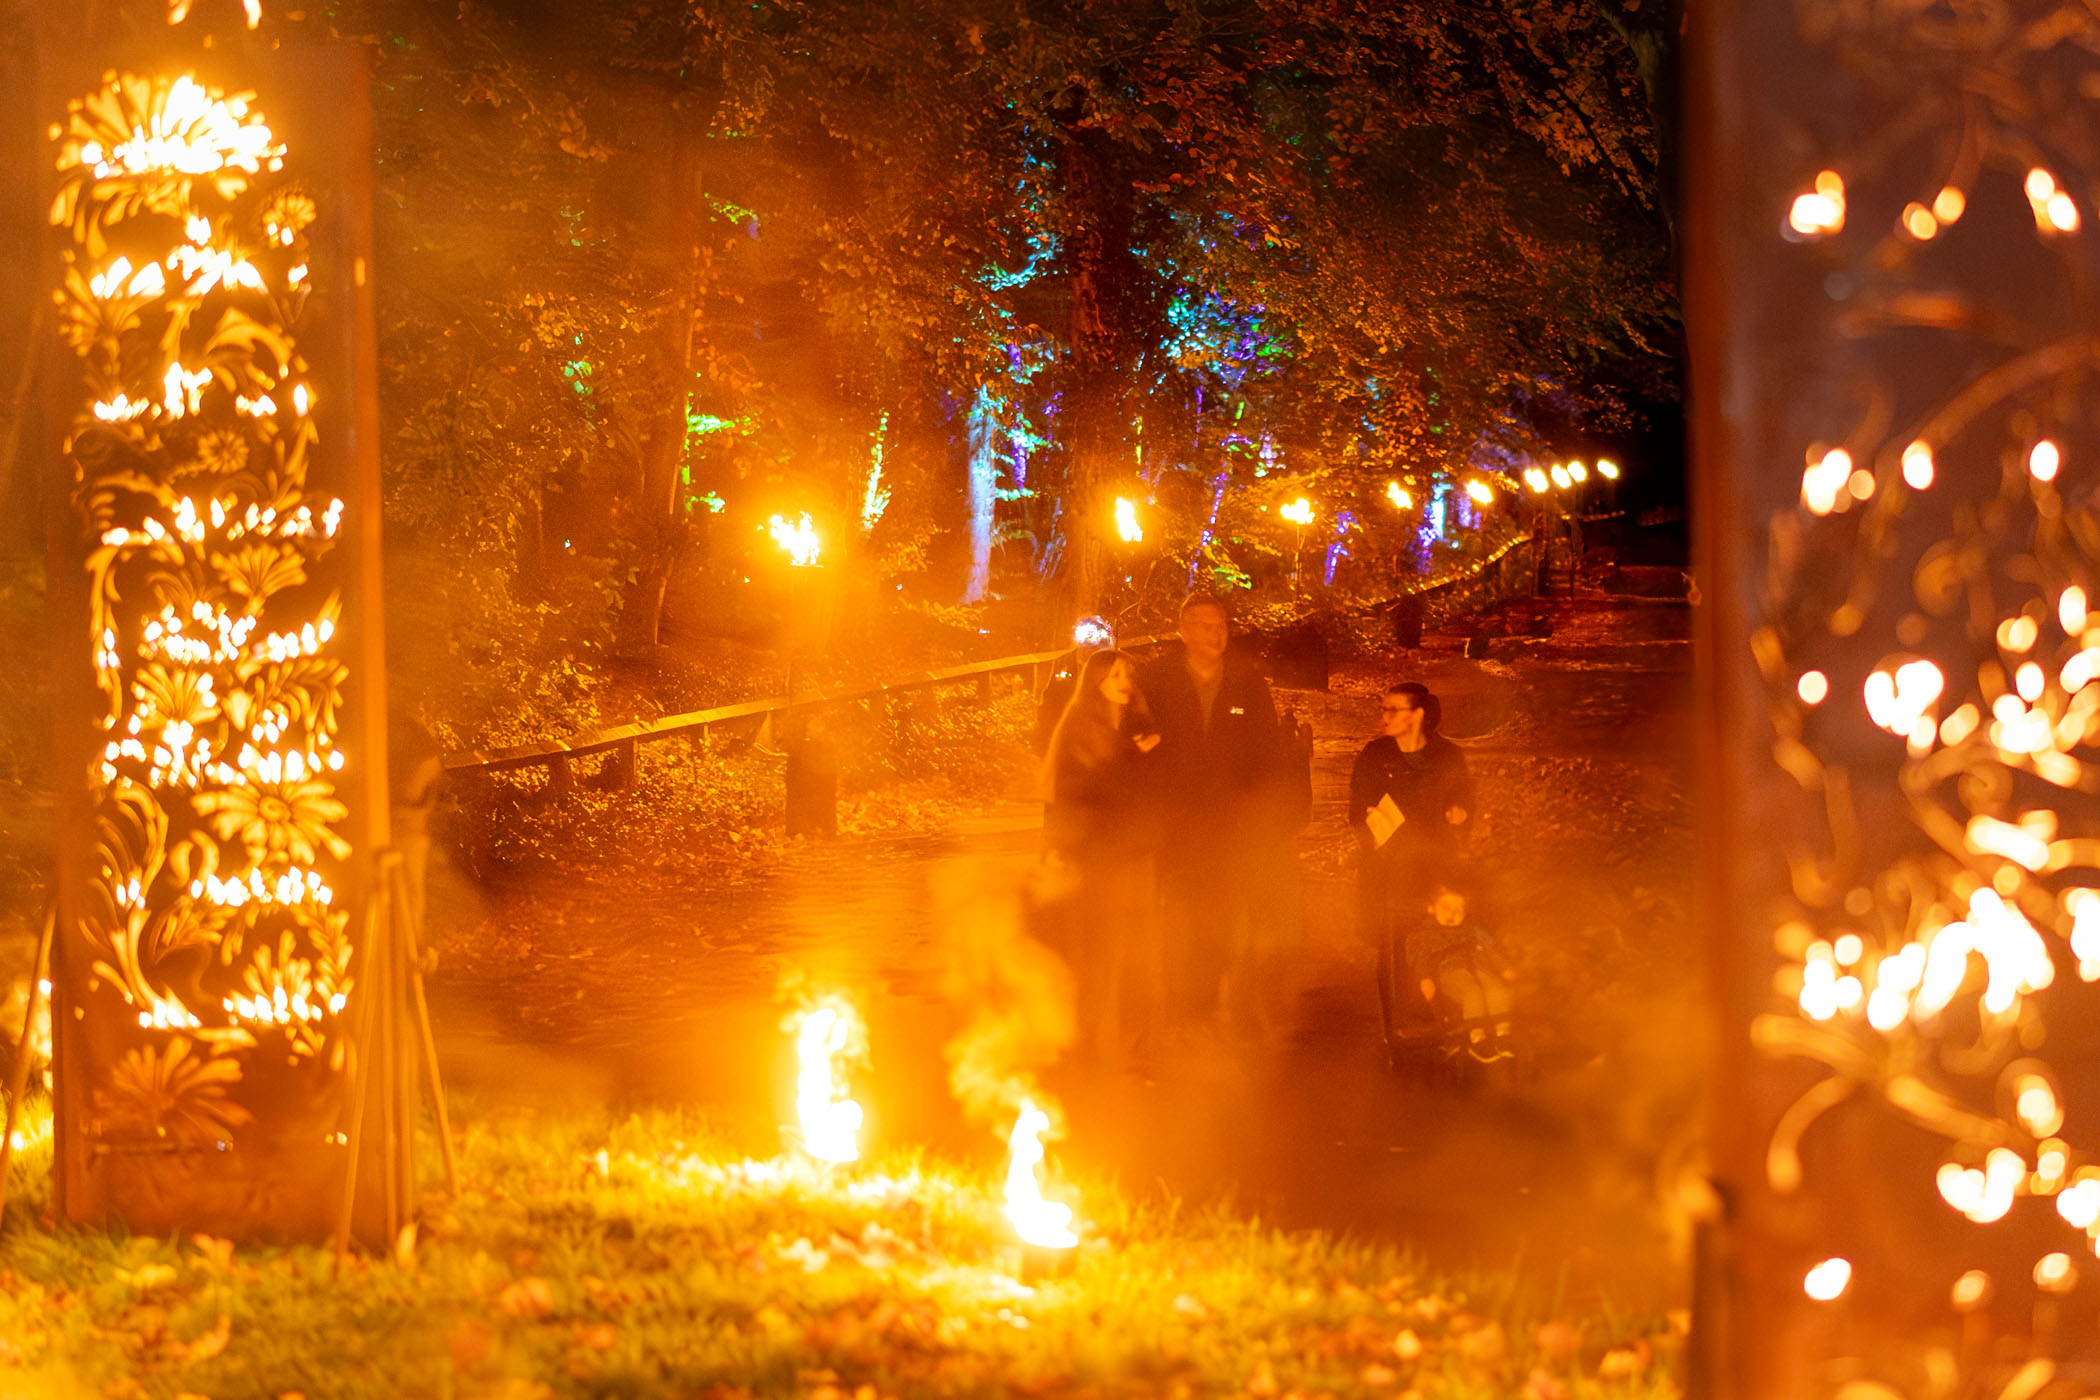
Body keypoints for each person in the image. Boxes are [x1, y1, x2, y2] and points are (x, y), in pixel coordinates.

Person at [1137, 594, 1288, 1030]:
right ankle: (1176, 997)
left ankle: (1212, 998)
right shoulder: (1157, 679)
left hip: (1228, 822)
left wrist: (1261, 810)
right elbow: (1132, 731)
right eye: (1205, 625)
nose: (1216, 633)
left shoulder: (1246, 682)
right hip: (1174, 820)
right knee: (1176, 910)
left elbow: (1267, 749)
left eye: (1221, 624)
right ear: (1184, 630)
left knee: (1223, 910)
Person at [1042, 649, 1162, 1061]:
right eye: (1114, 676)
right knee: (1093, 953)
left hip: (1135, 855)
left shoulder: (1139, 725)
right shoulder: (1080, 729)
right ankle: (1086, 1044)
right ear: (1095, 683)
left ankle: (1135, 1048)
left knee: (1137, 954)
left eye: (1128, 673)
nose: (1124, 682)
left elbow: (1151, 793)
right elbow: (1078, 792)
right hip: (1095, 859)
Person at [1349, 681, 1472, 1051]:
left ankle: (1437, 1019)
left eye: (1393, 710)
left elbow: (1463, 801)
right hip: (1387, 870)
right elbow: (1356, 808)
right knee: (1392, 946)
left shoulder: (1447, 756)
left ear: (1417, 715)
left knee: (1435, 943)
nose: (1383, 717)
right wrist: (1368, 820)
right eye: (1383, 708)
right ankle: (1396, 1028)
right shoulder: (1375, 755)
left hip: (1433, 870)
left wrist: (1459, 814)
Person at [1034, 615, 1117, 755]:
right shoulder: (1064, 663)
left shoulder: (1114, 665)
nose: (1088, 647)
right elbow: (1050, 701)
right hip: (1070, 741)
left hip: (1104, 741)